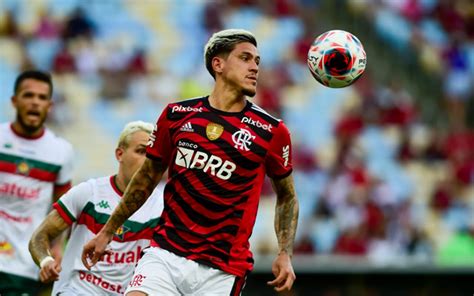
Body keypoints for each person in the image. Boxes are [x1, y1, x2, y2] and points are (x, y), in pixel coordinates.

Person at [82, 28, 299, 295]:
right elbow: (146, 178)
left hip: (223, 269)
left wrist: (284, 252)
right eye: (245, 58)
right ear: (217, 64)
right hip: (165, 254)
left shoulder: (271, 131)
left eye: (257, 61)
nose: (254, 67)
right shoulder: (177, 115)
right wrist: (108, 231)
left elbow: (287, 196)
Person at [29, 121, 164, 295]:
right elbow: (40, 236)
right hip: (78, 289)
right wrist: (46, 260)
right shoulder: (88, 193)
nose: (147, 161)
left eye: (151, 154)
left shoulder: (162, 205)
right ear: (119, 154)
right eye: (140, 151)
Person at [0, 70, 74, 295]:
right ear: (14, 101)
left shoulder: (61, 151)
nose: (35, 102)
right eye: (28, 95)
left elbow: (63, 208)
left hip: (25, 264)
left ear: (49, 105)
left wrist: (57, 248)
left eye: (42, 98)